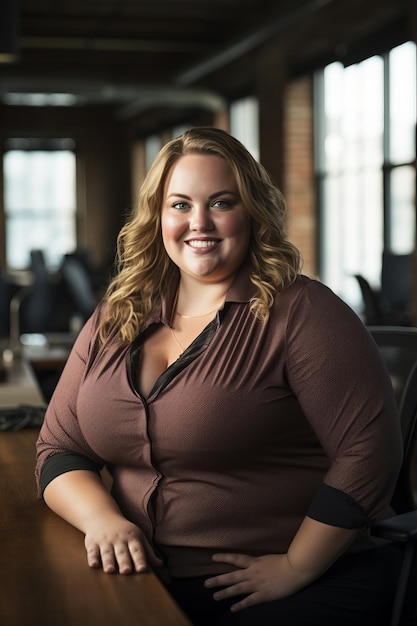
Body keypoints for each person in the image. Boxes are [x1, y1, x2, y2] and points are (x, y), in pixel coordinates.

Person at [36, 126, 403, 626]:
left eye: (222, 202)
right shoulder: (116, 315)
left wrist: (298, 565)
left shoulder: (302, 312)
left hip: (279, 582)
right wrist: (102, 520)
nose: (199, 222)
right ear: (158, 216)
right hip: (141, 577)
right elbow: (59, 447)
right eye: (180, 204)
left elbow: (370, 452)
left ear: (251, 212)